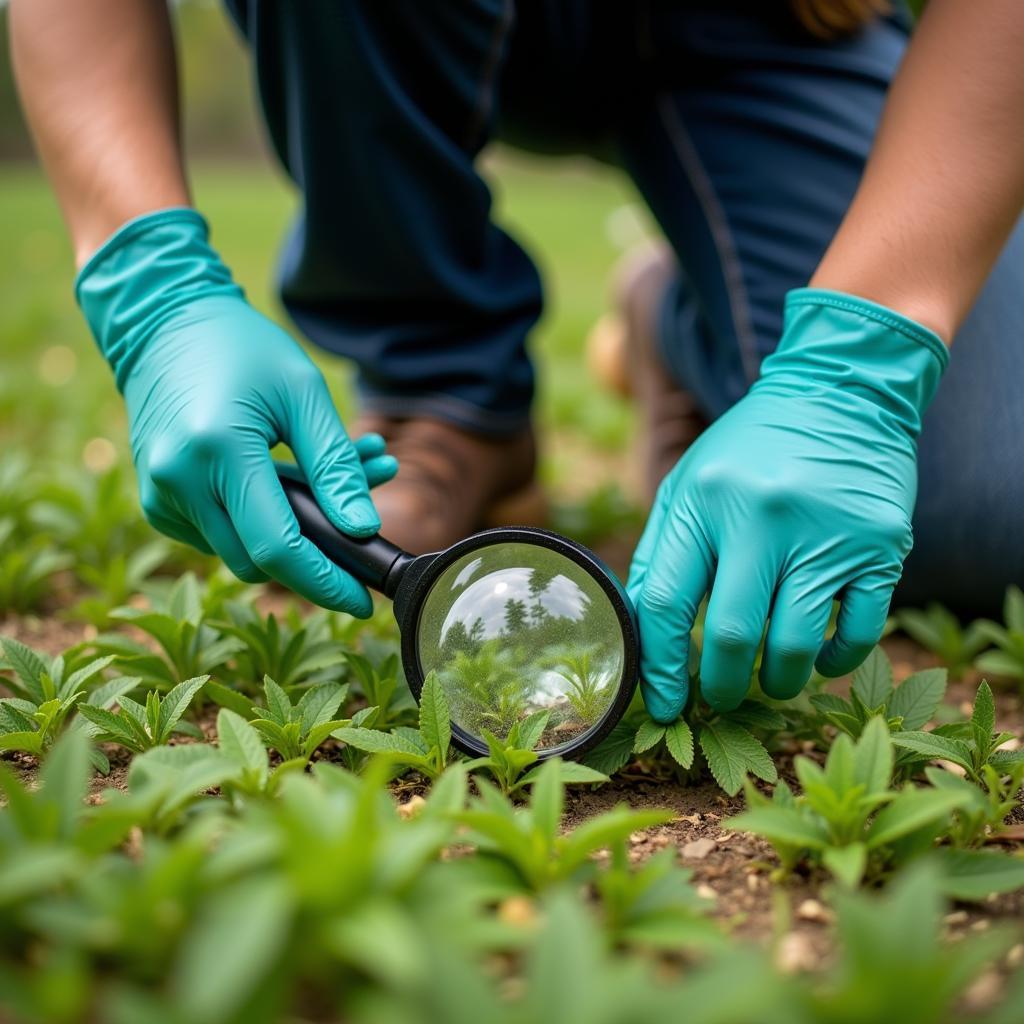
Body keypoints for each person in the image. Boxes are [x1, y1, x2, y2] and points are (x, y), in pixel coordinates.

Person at [11, 0, 1024, 723]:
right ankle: (449, 393)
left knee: (976, 514)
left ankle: (673, 325)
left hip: (780, 22)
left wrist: (857, 367)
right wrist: (153, 291)